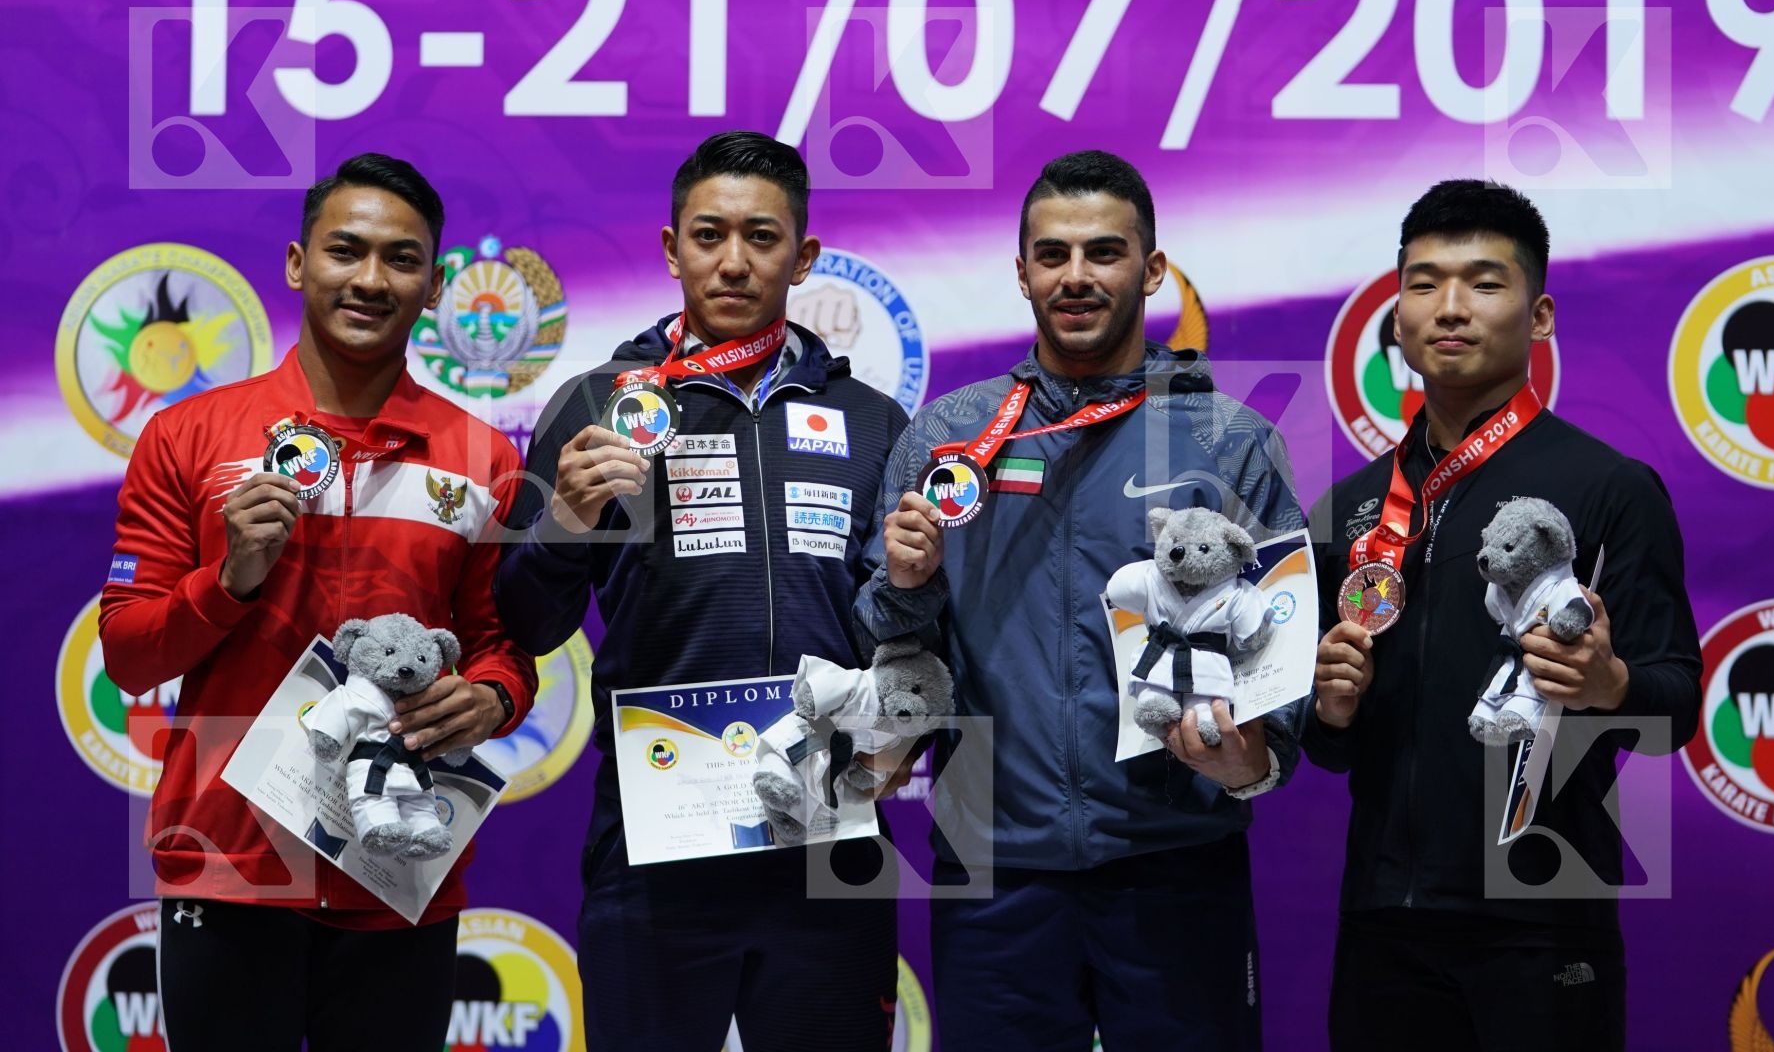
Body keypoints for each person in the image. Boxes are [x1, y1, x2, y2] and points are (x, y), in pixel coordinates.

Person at [856, 150, 1306, 1050]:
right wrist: (905, 585)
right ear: (1020, 270)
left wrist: (1254, 762)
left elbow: (1279, 649)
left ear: (1153, 268)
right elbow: (891, 643)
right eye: (1052, 254)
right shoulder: (951, 436)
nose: (1076, 276)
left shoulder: (1229, 441)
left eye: (1104, 252)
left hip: (1175, 864)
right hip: (994, 874)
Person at [99, 153, 536, 1051]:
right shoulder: (189, 436)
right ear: (299, 264)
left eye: (401, 259)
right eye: (347, 251)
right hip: (228, 863)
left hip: (396, 865)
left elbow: (502, 647)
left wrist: (491, 698)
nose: (371, 280)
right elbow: (130, 656)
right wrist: (227, 583)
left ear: (434, 283)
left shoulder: (483, 456)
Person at [493, 131, 910, 1052]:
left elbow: (910, 626)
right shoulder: (597, 402)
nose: (733, 261)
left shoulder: (873, 422)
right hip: (657, 841)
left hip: (828, 836)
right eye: (709, 234)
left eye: (761, 238)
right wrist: (562, 517)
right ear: (670, 246)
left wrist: (906, 729)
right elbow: (522, 618)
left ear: (802, 257)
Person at [1304, 179, 1702, 1051]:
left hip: (1542, 915)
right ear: (1395, 315)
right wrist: (1329, 710)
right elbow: (1325, 747)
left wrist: (1609, 683)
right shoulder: (1347, 511)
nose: (1450, 307)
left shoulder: (1609, 488)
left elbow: (1676, 708)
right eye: (1423, 282)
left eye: (1484, 282)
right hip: (1383, 921)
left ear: (1541, 313)